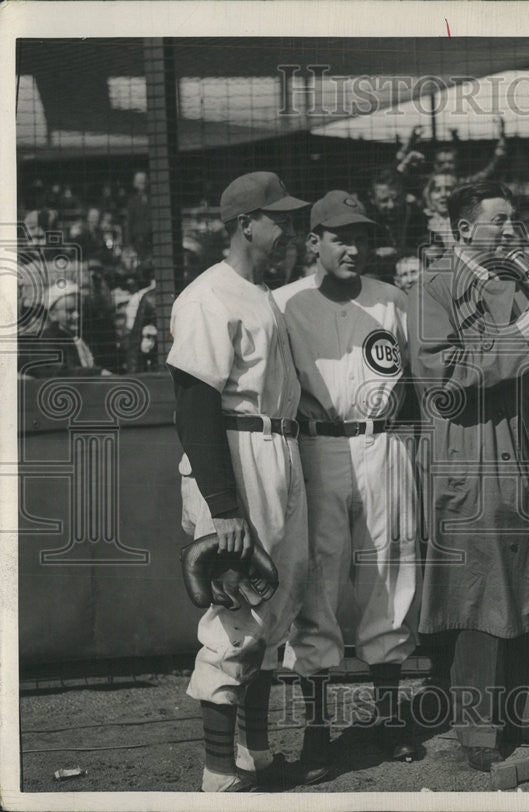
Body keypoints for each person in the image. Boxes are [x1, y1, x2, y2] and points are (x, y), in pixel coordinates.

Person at [407, 180, 529, 772]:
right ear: (462, 229)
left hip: (518, 449)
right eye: (497, 220)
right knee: (478, 589)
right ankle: (477, 731)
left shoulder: (515, 285)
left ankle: (525, 713)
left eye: (512, 219)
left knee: (525, 579)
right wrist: (512, 343)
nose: (509, 229)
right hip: (468, 449)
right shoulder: (432, 286)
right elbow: (437, 374)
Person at [166, 171, 311, 792]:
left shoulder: (261, 292)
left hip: (277, 448)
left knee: (273, 610)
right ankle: (218, 772)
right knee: (235, 615)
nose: (287, 226)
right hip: (233, 452)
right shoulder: (209, 296)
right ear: (245, 224)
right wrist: (222, 505)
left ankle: (255, 753)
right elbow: (194, 406)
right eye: (276, 217)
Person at [272, 190, 421, 776]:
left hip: (384, 440)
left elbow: (423, 372)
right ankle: (316, 730)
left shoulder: (392, 299)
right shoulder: (284, 303)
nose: (354, 248)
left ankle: (387, 719)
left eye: (361, 237)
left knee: (391, 574)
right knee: (317, 583)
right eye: (341, 237)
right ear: (314, 242)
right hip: (318, 446)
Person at [17, 280, 111, 378]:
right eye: (70, 311)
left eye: (79, 310)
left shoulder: (80, 339)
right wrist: (97, 372)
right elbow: (57, 372)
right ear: (53, 314)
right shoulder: (47, 340)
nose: (77, 315)